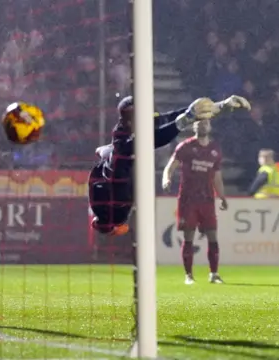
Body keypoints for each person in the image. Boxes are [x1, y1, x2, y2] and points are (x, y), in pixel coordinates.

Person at [89, 95, 250, 236]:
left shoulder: (128, 132)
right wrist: (185, 120)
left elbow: (168, 118)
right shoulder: (124, 144)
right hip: (115, 194)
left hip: (114, 186)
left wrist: (219, 106)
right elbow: (154, 138)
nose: (152, 121)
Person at [162, 119, 230, 285]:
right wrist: (166, 179)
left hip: (207, 199)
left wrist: (222, 196)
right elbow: (170, 166)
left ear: (210, 127)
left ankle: (214, 274)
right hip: (188, 199)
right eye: (199, 124)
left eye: (205, 123)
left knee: (212, 235)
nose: (202, 126)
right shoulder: (185, 147)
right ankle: (189, 276)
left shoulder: (215, 149)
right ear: (194, 127)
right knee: (189, 236)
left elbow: (217, 176)